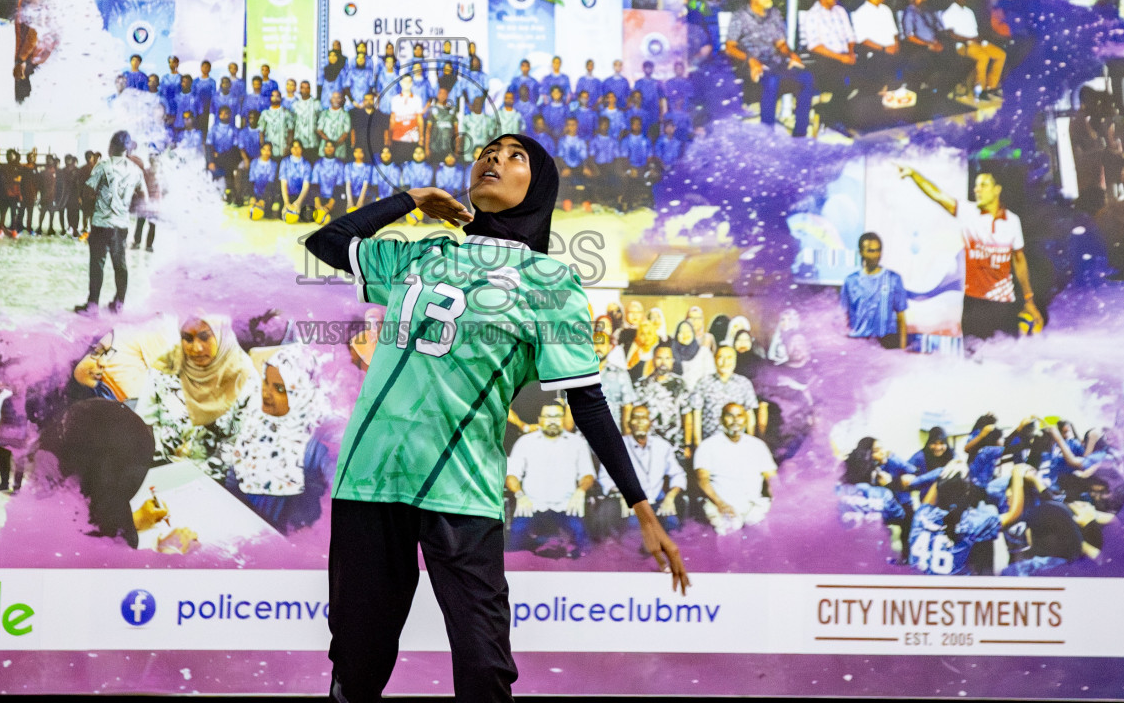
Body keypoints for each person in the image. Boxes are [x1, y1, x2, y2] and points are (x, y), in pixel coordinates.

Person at [303, 133, 686, 702]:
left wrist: (641, 504)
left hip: (463, 491)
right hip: (370, 480)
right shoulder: (422, 252)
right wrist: (410, 199)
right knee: (357, 669)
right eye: (488, 151)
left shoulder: (551, 284)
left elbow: (587, 400)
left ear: (540, 189)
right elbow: (327, 240)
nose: (493, 160)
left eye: (515, 157)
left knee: (485, 672)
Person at [897, 164, 1042, 341]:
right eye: (975, 186)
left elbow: (1019, 260)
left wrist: (1029, 300)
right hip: (974, 304)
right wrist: (914, 174)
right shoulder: (968, 212)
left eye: (983, 185)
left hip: (1004, 304)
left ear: (997, 190)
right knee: (973, 363)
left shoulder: (1012, 221)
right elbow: (938, 196)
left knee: (1005, 360)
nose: (977, 190)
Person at [228, 345, 329, 533]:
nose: (266, 392)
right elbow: (233, 480)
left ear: (302, 393)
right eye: (266, 382)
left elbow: (314, 518)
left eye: (279, 388)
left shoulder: (317, 443)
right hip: (240, 526)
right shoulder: (256, 421)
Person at [505, 401, 597, 558]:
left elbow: (588, 474)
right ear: (540, 419)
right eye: (548, 416)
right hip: (531, 504)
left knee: (585, 548)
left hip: (566, 505)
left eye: (557, 416)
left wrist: (580, 491)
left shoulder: (577, 443)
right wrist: (520, 495)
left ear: (563, 419)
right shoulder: (525, 442)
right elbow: (511, 475)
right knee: (513, 546)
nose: (553, 421)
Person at [725, 0, 815, 137]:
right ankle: (767, 134)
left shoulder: (774, 14)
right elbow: (729, 47)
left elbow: (781, 44)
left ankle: (800, 134)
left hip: (775, 62)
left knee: (806, 77)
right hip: (750, 64)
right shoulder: (740, 16)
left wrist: (791, 54)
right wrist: (750, 60)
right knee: (772, 80)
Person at [75, 131, 148, 315]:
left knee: (97, 264)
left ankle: (92, 305)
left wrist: (90, 211)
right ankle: (119, 303)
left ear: (112, 147)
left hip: (101, 224)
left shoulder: (102, 167)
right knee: (120, 264)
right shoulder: (135, 170)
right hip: (121, 226)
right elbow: (143, 196)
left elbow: (87, 191)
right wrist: (126, 209)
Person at [600, 404, 686, 533]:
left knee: (674, 529)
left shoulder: (662, 446)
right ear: (629, 423)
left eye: (644, 418)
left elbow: (678, 474)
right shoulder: (616, 446)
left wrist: (670, 497)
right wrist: (622, 493)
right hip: (631, 503)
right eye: (635, 418)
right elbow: (604, 477)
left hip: (657, 500)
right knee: (634, 534)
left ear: (650, 423)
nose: (640, 422)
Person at [694, 402, 776, 532]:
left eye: (739, 416)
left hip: (753, 504)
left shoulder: (757, 445)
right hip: (721, 504)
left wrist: (779, 501)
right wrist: (720, 504)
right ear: (721, 420)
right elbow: (702, 480)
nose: (735, 420)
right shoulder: (707, 446)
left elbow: (771, 478)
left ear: (746, 419)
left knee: (764, 534)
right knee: (729, 533)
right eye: (730, 416)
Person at [840, 232, 909, 349]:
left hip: (886, 341)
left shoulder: (893, 278)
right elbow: (843, 316)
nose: (875, 255)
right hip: (858, 341)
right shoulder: (851, 281)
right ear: (861, 252)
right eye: (870, 251)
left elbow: (901, 318)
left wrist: (902, 350)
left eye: (878, 250)